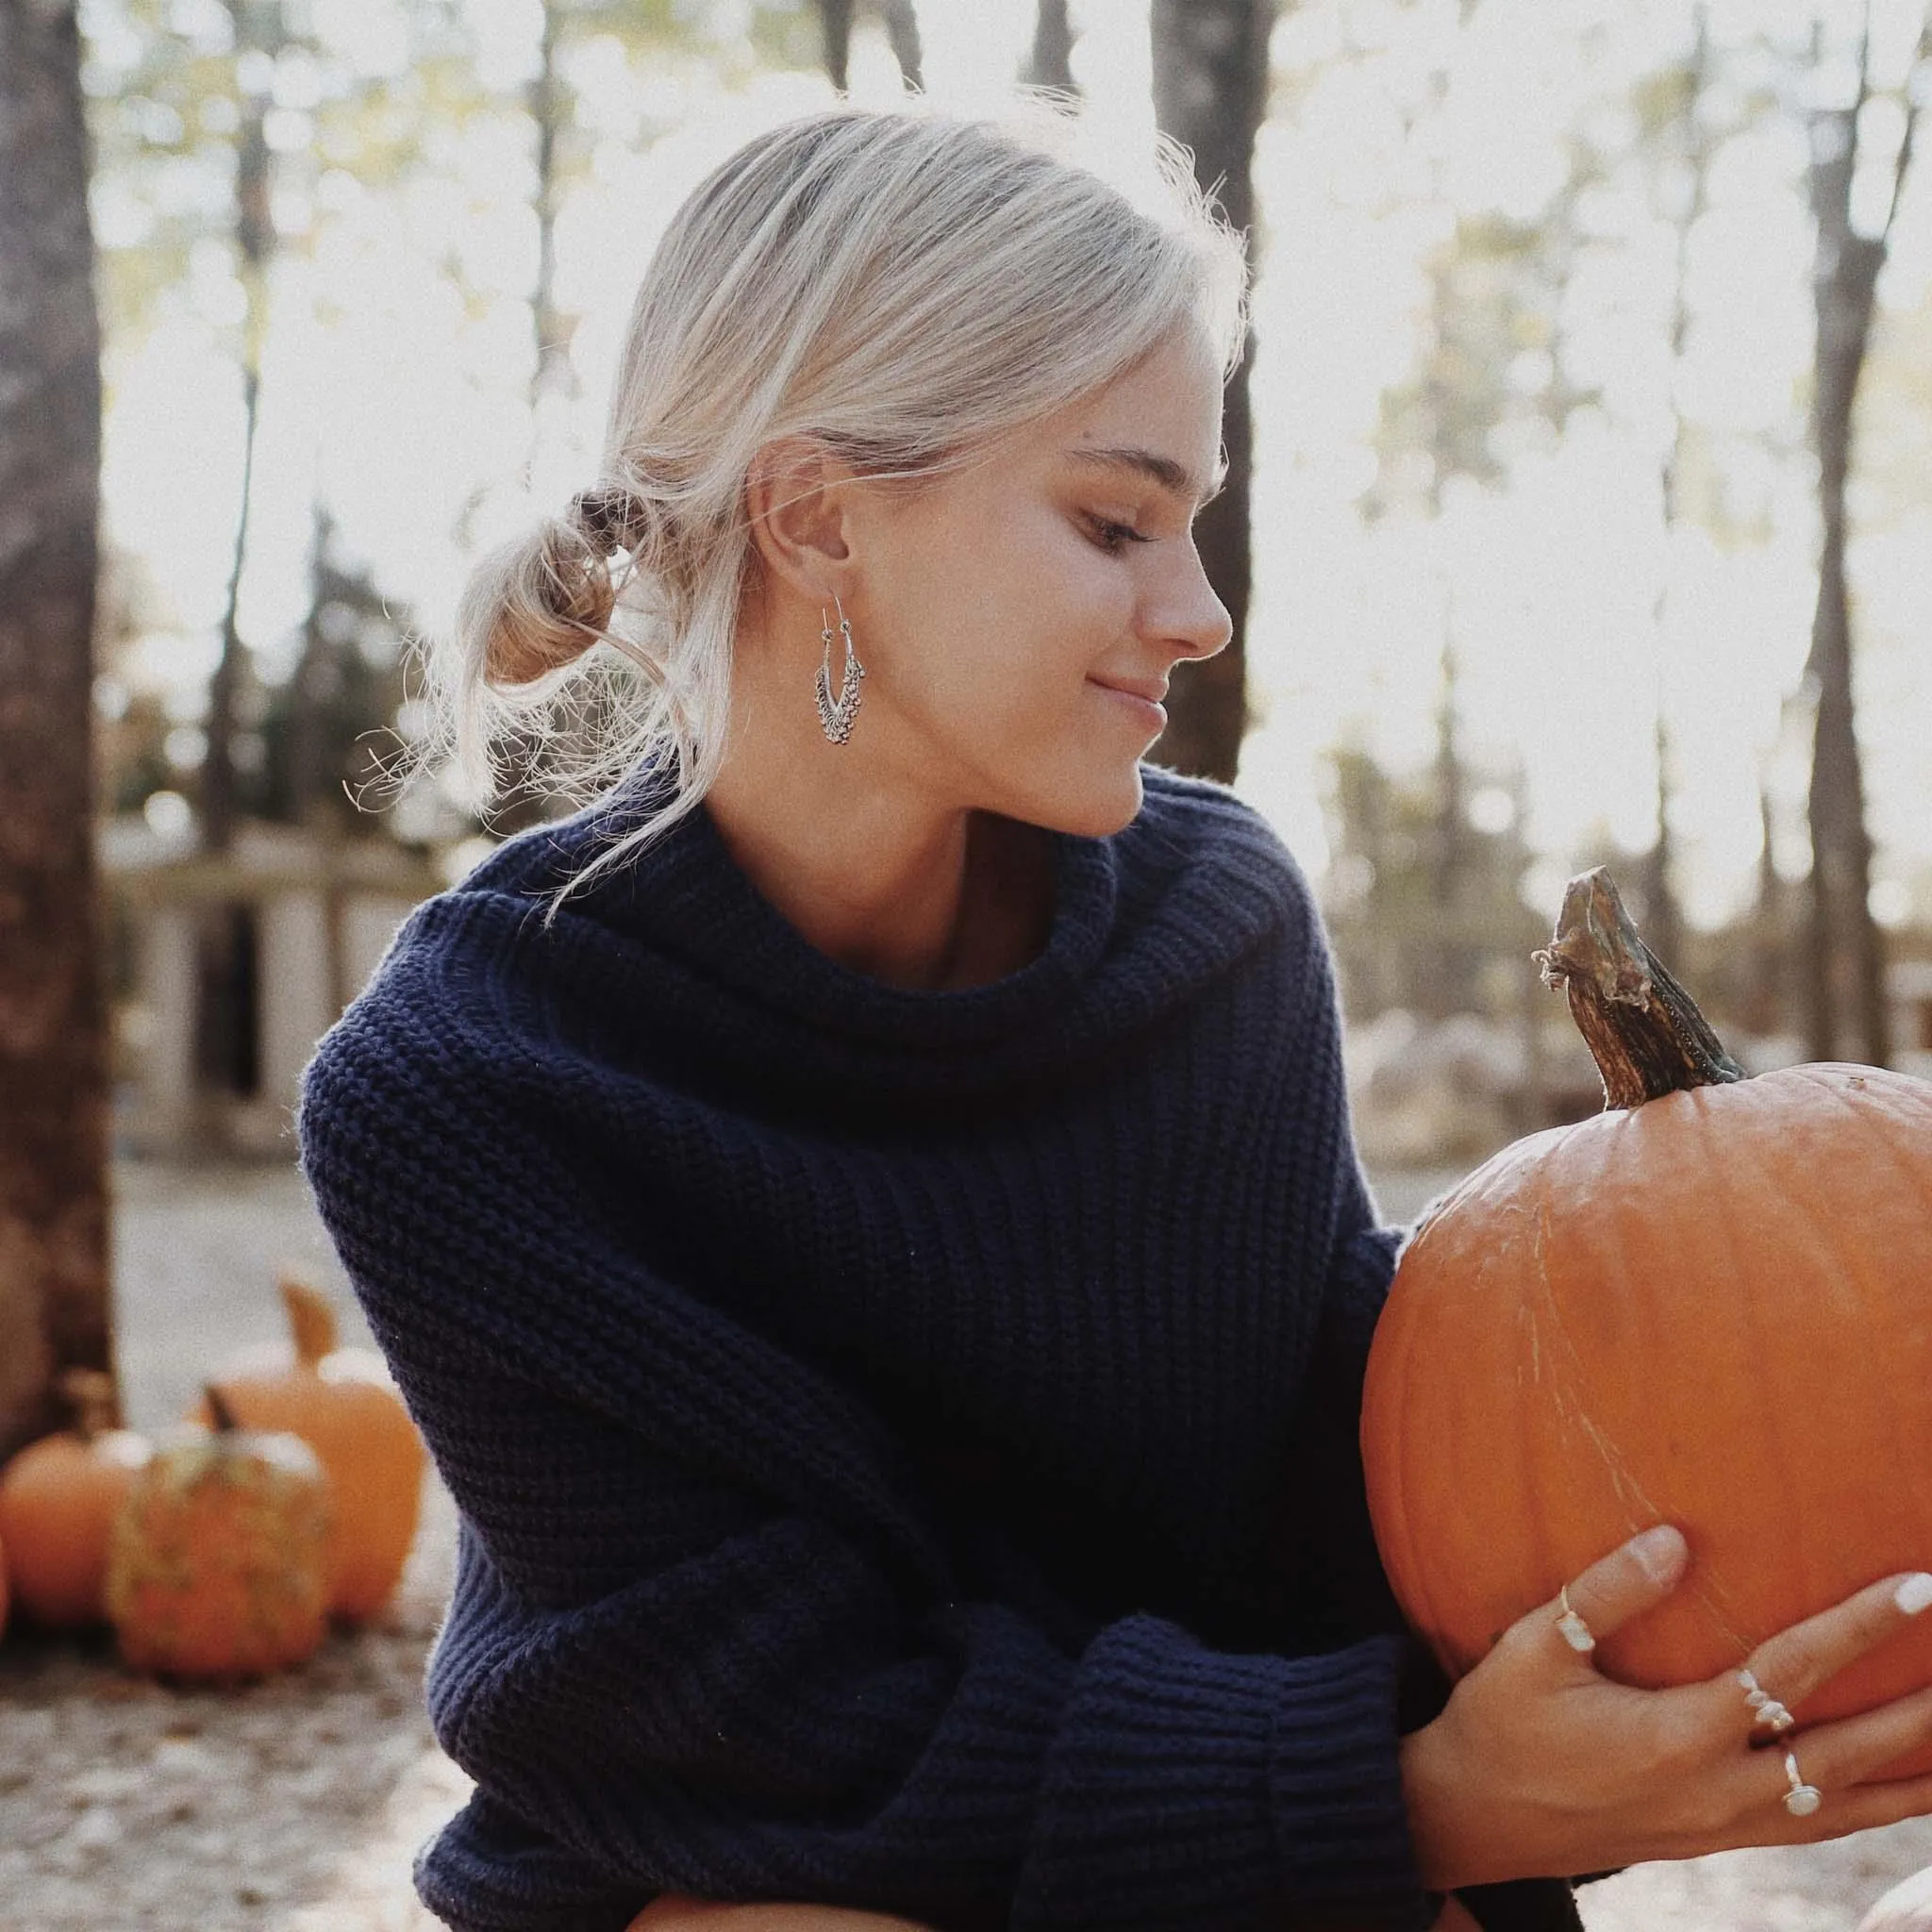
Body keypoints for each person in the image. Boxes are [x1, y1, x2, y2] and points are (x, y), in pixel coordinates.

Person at [294, 96, 1932, 1932]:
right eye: (1112, 520)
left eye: (1192, 525)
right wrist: (1417, 1802)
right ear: (818, 515)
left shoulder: (1211, 924)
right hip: (789, 1866)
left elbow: (1365, 1510)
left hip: (1253, 1819)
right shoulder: (466, 1085)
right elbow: (765, 1727)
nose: (1199, 611)